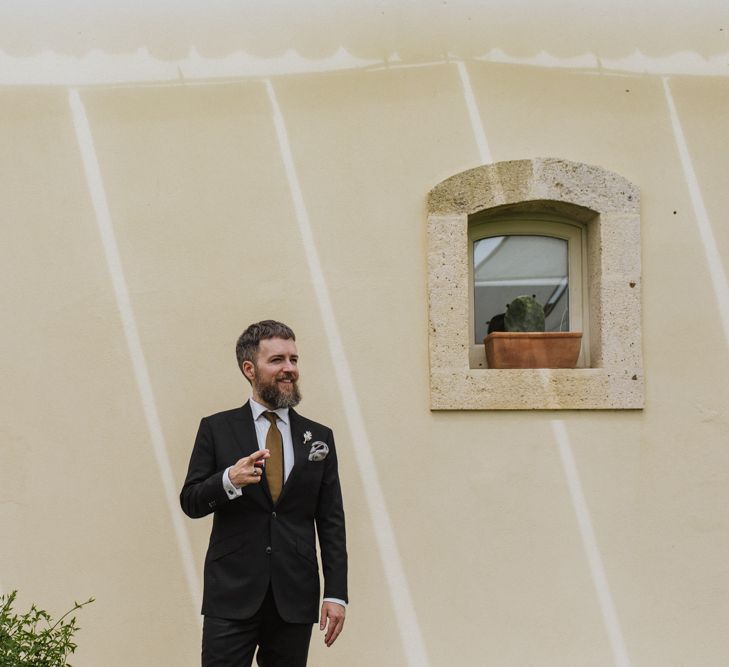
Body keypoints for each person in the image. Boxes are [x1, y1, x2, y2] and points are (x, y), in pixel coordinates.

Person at [180, 320, 347, 667]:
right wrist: (229, 480)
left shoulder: (320, 437)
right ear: (249, 369)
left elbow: (331, 521)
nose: (289, 369)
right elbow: (191, 501)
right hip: (231, 595)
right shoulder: (216, 429)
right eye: (277, 360)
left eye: (294, 359)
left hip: (295, 597)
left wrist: (336, 594)